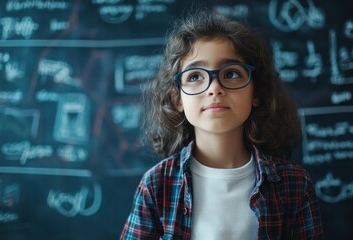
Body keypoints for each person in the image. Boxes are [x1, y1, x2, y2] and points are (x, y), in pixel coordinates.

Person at [120, 8, 324, 240]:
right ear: (177, 99)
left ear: (255, 92)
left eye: (231, 74)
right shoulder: (157, 185)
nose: (214, 88)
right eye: (195, 76)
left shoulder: (293, 185)